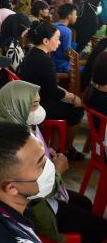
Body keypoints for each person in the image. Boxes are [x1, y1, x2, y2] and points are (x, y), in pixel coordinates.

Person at [0, 80, 107, 243]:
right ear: (16, 105)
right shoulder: (12, 140)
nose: (40, 109)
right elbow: (32, 188)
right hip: (27, 208)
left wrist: (43, 154)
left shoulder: (6, 121)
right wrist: (58, 170)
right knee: (100, 228)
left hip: (26, 199)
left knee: (84, 203)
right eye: (34, 105)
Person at [19, 22, 84, 159]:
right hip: (38, 104)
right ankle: (67, 148)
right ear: (46, 41)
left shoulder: (33, 53)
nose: (59, 42)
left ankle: (55, 148)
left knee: (67, 105)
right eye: (57, 38)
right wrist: (73, 98)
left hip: (33, 99)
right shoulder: (44, 61)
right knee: (77, 110)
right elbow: (53, 91)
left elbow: (49, 86)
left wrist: (69, 95)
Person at [52, 3, 78, 73]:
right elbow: (67, 53)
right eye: (75, 14)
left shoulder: (52, 25)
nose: (76, 17)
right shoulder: (67, 31)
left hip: (52, 62)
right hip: (61, 65)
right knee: (87, 70)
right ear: (69, 16)